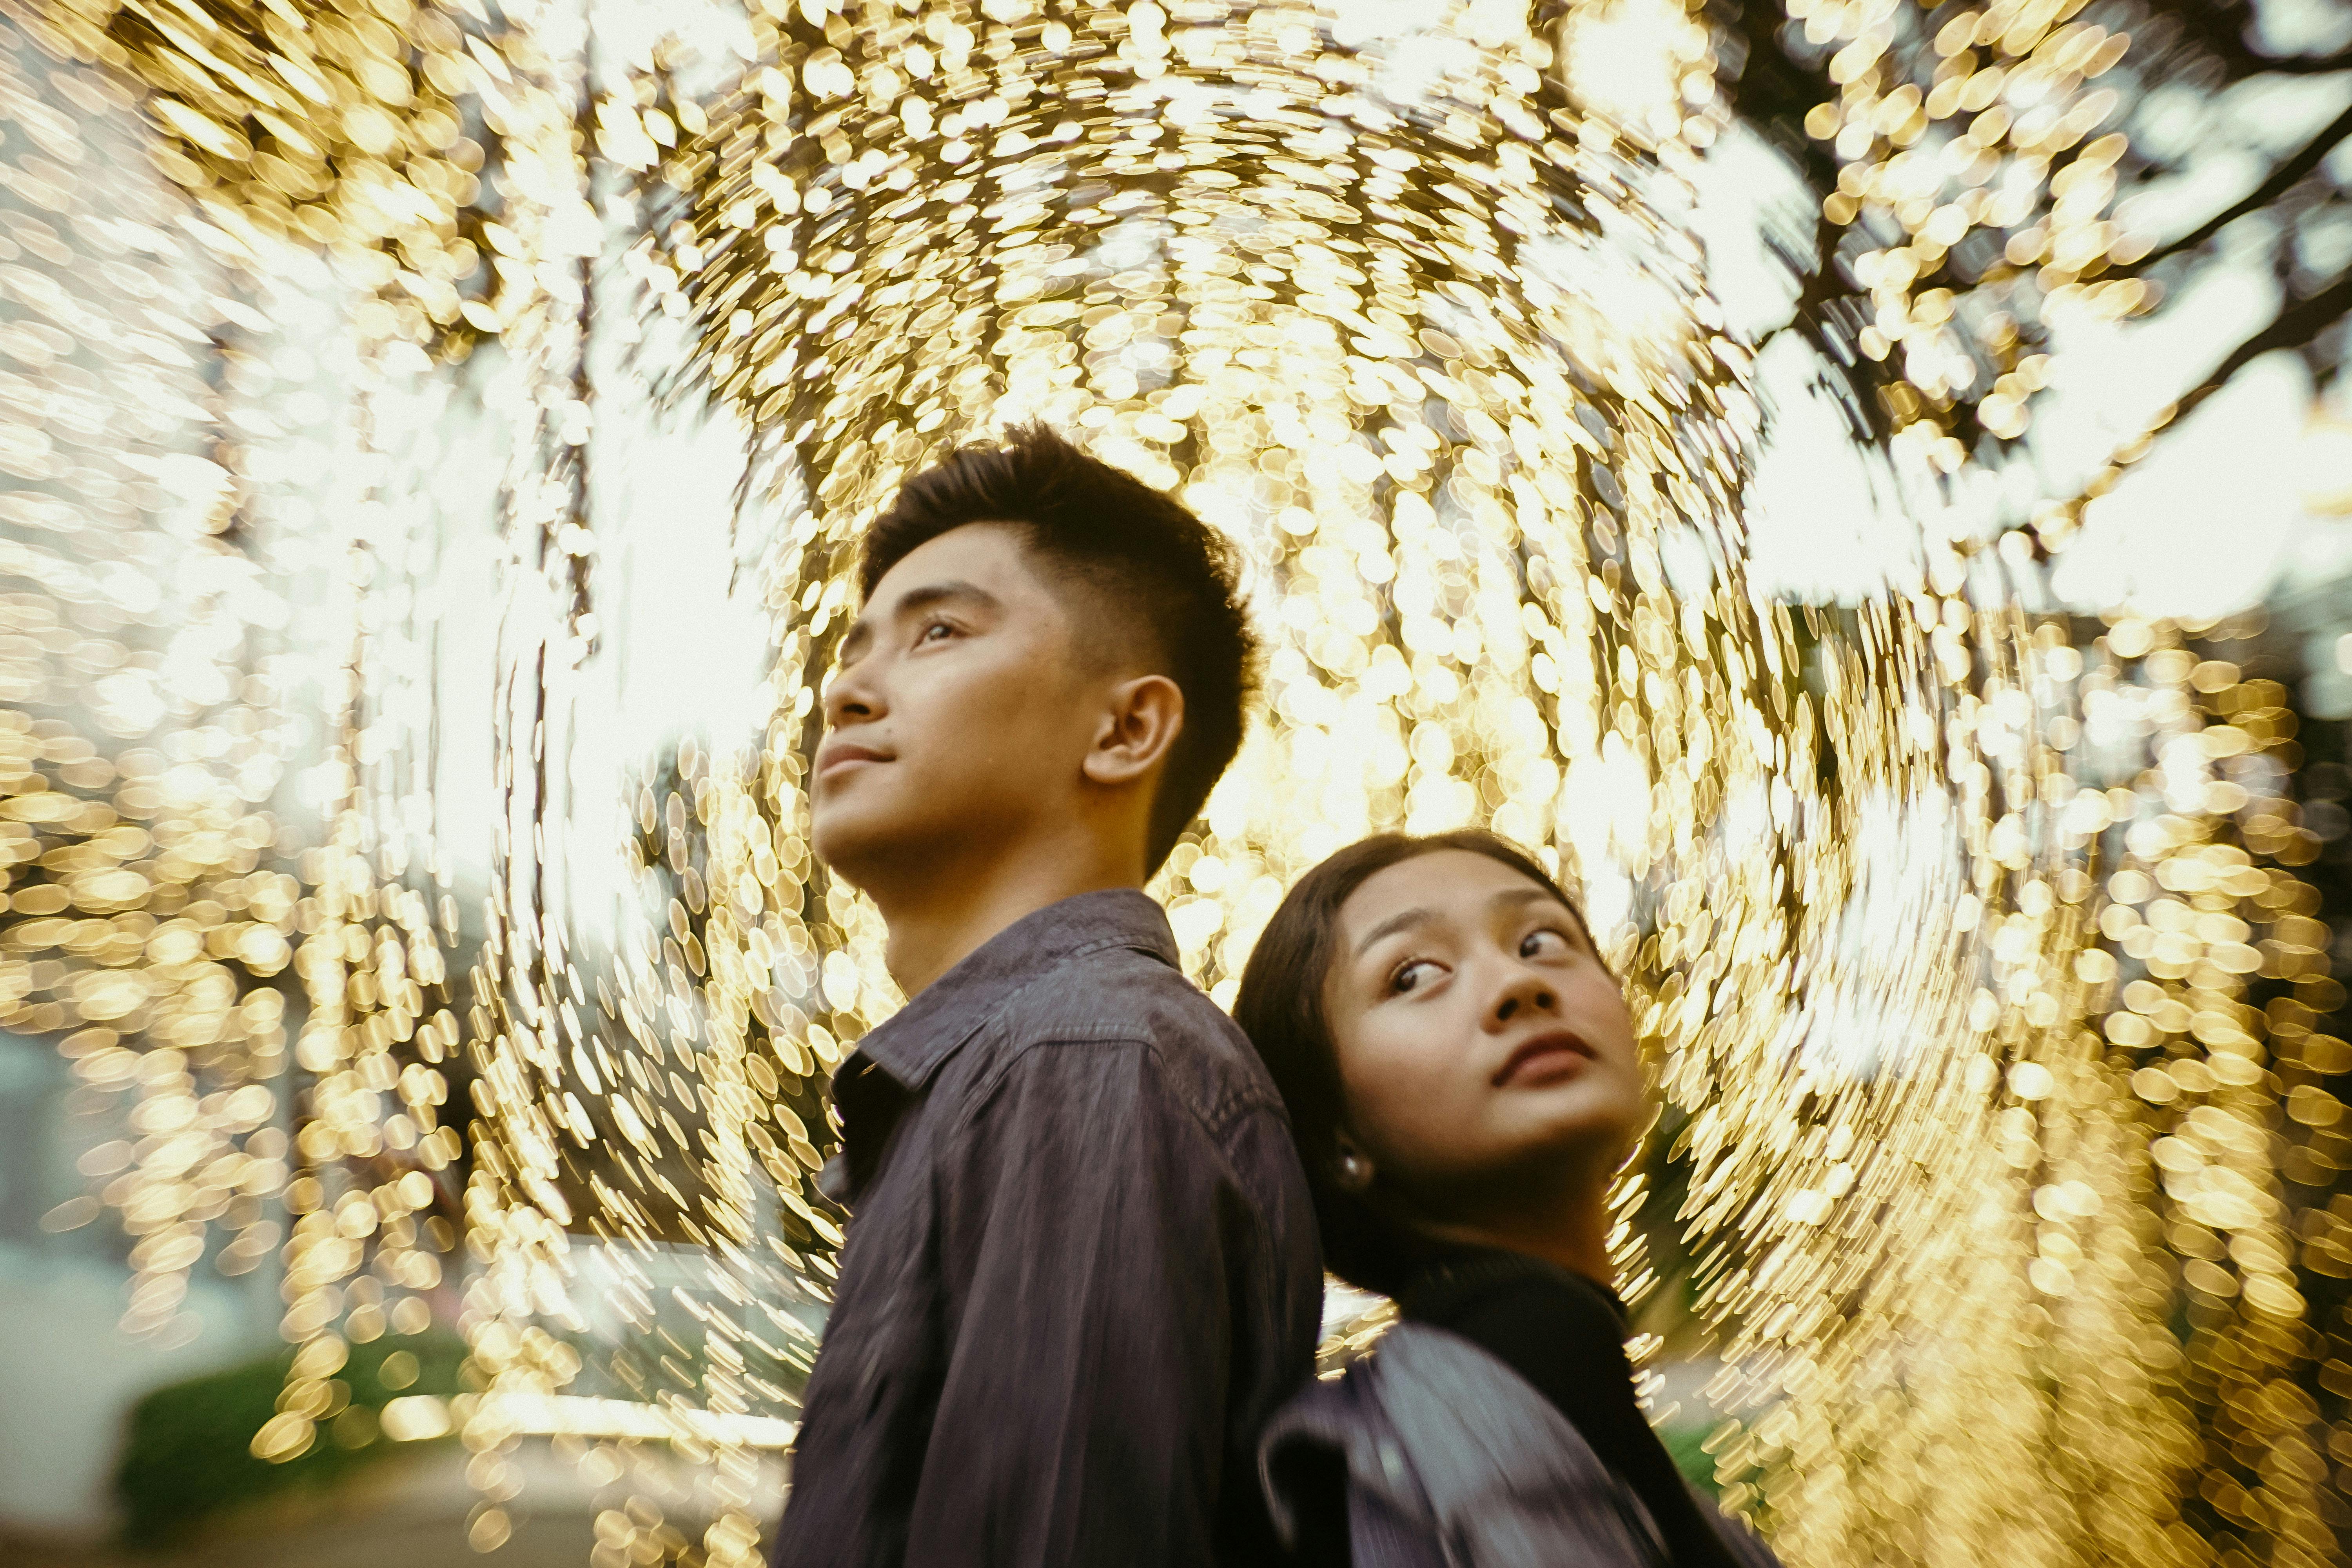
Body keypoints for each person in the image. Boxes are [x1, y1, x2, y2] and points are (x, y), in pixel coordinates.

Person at [771, 424, 1321, 1567]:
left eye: (939, 631)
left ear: (1126, 729)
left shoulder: (1088, 1062)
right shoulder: (1015, 1071)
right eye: (854, 647)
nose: (847, 691)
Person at [1232, 829, 1782, 1568]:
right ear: (1336, 1140)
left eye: (1539, 942)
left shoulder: (1651, 1476)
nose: (1519, 986)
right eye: (1413, 974)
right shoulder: (1339, 1488)